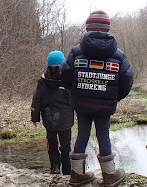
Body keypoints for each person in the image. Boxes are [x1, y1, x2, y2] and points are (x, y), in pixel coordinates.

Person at [61, 11, 134, 187]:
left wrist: (77, 90)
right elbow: (127, 78)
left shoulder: (76, 51)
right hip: (105, 103)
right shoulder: (118, 55)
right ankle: (109, 174)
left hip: (82, 103)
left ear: (87, 28)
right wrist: (113, 97)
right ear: (107, 28)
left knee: (82, 134)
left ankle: (77, 174)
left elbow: (65, 74)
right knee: (104, 135)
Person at [31, 51, 74, 175]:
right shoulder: (68, 79)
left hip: (49, 119)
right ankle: (67, 170)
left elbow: (37, 99)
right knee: (66, 146)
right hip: (66, 119)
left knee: (52, 143)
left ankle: (54, 167)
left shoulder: (43, 80)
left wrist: (35, 117)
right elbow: (74, 97)